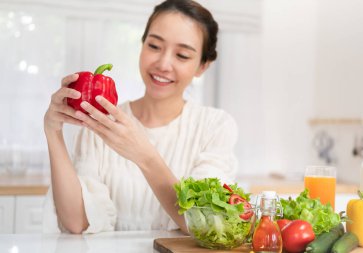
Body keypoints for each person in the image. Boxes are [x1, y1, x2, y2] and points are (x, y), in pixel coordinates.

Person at [43, 0, 238, 234]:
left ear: (202, 66)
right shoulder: (102, 121)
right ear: (142, 44)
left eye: (183, 55)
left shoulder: (215, 127)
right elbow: (77, 223)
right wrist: (53, 131)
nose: (163, 64)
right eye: (154, 46)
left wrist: (144, 156)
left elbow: (205, 223)